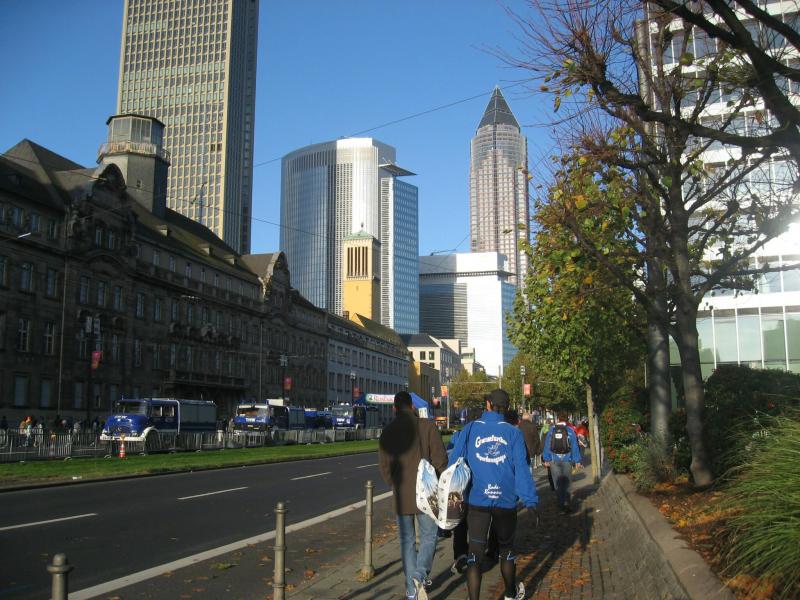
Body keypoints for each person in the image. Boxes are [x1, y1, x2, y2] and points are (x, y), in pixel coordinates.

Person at [448, 389, 539, 600]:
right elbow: (522, 470)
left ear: (488, 404)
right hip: (505, 500)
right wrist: (530, 501)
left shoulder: (470, 429)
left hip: (477, 500)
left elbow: (454, 463)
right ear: (506, 408)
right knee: (507, 551)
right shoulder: (513, 433)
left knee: (474, 555)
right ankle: (510, 594)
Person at [379, 391, 447, 600]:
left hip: (402, 494)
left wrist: (394, 483)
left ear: (394, 408)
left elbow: (385, 466)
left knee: (407, 541)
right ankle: (420, 573)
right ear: (412, 407)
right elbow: (440, 459)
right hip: (427, 493)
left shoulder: (388, 431)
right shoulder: (427, 426)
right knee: (429, 536)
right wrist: (439, 481)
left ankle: (411, 590)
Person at [542, 412, 583, 514]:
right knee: (567, 483)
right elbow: (574, 446)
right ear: (567, 419)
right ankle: (567, 504)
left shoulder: (551, 431)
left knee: (558, 484)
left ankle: (560, 507)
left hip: (554, 461)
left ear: (557, 419)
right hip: (567, 460)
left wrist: (546, 459)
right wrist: (577, 461)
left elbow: (547, 446)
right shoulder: (570, 431)